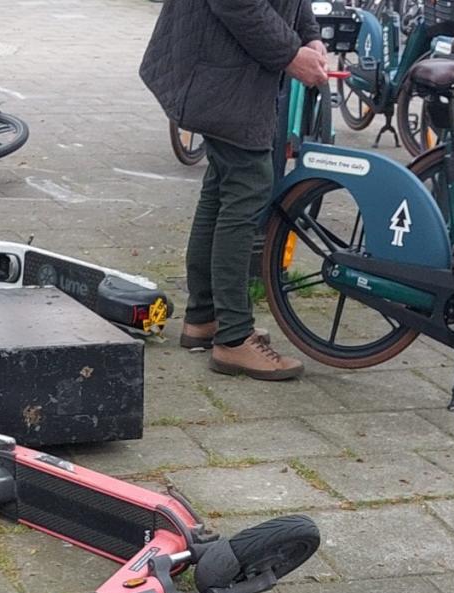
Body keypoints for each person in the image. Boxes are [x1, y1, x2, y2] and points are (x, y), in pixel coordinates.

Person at [140, 0, 328, 381]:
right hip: (219, 72)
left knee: (222, 186)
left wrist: (310, 36)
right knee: (248, 182)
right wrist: (291, 54)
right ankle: (234, 339)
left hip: (226, 70)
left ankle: (205, 318)